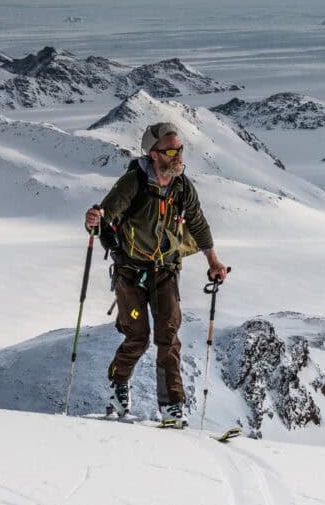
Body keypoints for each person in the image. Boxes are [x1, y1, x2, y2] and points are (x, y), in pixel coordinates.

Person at [84, 122, 228, 427]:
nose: (177, 156)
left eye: (180, 149)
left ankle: (172, 405)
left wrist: (213, 261)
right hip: (131, 272)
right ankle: (118, 386)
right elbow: (104, 218)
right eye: (170, 151)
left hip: (165, 270)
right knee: (138, 337)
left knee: (168, 337)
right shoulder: (132, 183)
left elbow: (199, 225)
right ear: (153, 154)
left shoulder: (182, 186)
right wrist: (93, 220)